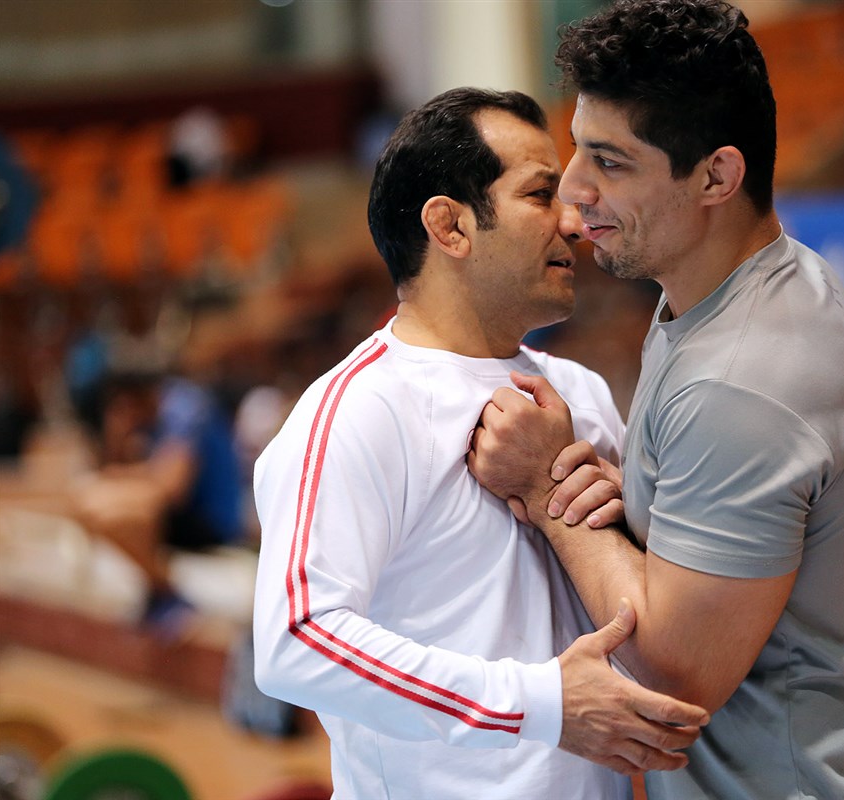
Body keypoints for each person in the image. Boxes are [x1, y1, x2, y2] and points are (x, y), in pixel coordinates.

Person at [466, 2, 844, 798]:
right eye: (578, 148)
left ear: (717, 176)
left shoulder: (741, 378)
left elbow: (676, 677)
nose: (573, 191)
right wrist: (645, 509)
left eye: (611, 163)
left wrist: (549, 493)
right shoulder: (765, 278)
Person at [250, 87, 708, 800]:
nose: (574, 222)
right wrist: (539, 704)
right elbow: (296, 640)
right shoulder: (357, 410)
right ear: (451, 226)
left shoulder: (580, 391)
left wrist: (634, 516)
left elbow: (646, 609)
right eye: (540, 195)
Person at [72, 343, 242, 637]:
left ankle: (169, 594)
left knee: (109, 513)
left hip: (211, 519)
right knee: (89, 501)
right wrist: (118, 436)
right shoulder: (149, 413)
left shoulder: (185, 406)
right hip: (180, 514)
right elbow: (121, 470)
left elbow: (171, 488)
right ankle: (159, 591)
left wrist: (121, 480)